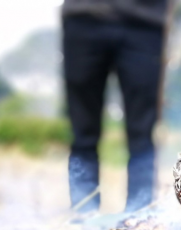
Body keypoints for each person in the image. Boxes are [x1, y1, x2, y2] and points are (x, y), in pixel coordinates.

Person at [62, 0, 170, 213]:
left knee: (142, 133)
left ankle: (140, 216)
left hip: (145, 22)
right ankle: (83, 217)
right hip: (83, 17)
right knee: (83, 132)